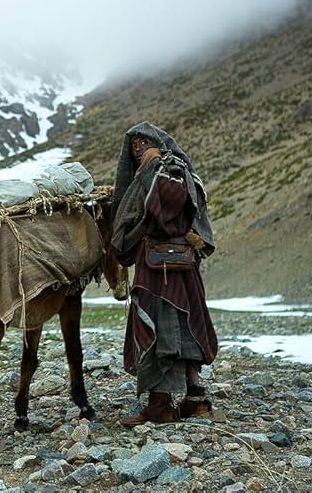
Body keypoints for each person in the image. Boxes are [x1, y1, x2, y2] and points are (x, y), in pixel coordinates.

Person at [110, 121, 218, 425]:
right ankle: (194, 399)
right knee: (183, 324)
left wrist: (151, 168)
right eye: (134, 146)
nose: (139, 150)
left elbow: (168, 206)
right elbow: (129, 216)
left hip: (163, 267)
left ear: (158, 144)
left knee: (163, 327)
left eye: (144, 143)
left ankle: (162, 405)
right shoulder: (148, 173)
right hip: (164, 262)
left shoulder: (171, 169)